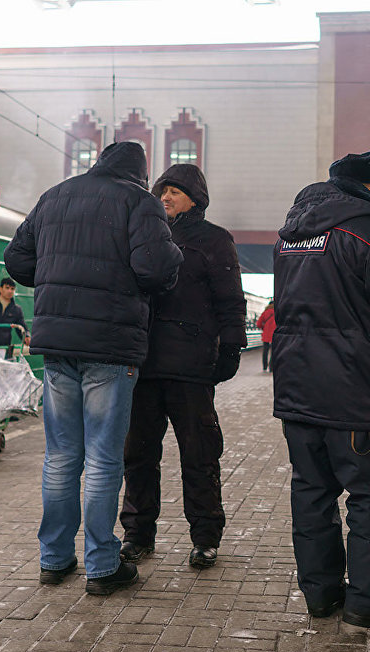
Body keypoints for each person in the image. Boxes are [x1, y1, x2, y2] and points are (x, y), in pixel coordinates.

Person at [4, 141, 183, 595]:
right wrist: (172, 256)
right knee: (104, 460)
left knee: (61, 457)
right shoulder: (139, 202)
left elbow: (17, 260)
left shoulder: (55, 196)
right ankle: (103, 566)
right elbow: (154, 267)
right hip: (110, 346)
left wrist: (57, 276)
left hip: (58, 347)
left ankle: (54, 559)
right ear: (141, 173)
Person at [272, 151, 370, 631]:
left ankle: (320, 596)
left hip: (297, 386)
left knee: (311, 491)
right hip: (359, 389)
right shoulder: (369, 232)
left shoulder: (291, 236)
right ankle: (369, 602)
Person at [120, 164, 247, 570]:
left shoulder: (215, 240)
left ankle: (205, 537)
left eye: (175, 191)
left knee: (200, 454)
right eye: (163, 191)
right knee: (137, 455)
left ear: (196, 198)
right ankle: (138, 535)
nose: (166, 197)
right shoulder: (144, 235)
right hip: (144, 366)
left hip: (191, 367)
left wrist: (231, 348)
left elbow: (231, 300)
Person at [257, 299, 276, 372]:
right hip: (274, 335)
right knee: (273, 352)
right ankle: (271, 368)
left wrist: (264, 328)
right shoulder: (277, 312)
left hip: (266, 335)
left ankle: (264, 367)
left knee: (265, 351)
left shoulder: (265, 312)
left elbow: (258, 324)